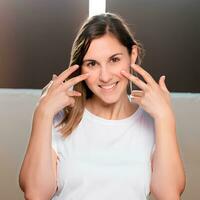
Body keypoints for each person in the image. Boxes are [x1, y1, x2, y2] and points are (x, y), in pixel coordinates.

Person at [19, 13, 186, 200]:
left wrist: (165, 116)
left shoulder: (153, 123)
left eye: (114, 60)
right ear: (80, 67)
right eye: (92, 64)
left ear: (132, 54)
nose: (105, 76)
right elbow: (35, 194)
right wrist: (42, 113)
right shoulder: (59, 119)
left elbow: (169, 194)